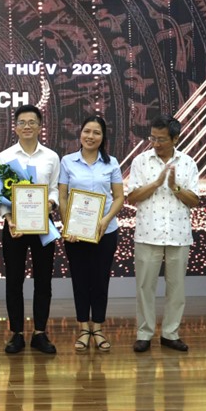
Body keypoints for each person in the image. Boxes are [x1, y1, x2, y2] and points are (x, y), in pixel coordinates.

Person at [128, 115, 200, 353]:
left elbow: (194, 200)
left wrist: (174, 187)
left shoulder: (188, 162)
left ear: (175, 138)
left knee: (176, 288)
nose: (155, 143)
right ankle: (144, 334)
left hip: (178, 234)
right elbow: (132, 196)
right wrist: (157, 183)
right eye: (153, 138)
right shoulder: (140, 161)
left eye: (161, 139)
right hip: (147, 234)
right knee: (144, 288)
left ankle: (171, 334)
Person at [0, 104, 60, 354]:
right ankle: (17, 334)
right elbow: (0, 193)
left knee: (43, 280)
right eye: (22, 122)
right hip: (14, 225)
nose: (27, 126)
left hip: (43, 224)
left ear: (40, 126)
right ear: (15, 127)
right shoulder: (5, 157)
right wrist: (8, 218)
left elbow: (54, 188)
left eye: (32, 122)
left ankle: (40, 333)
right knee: (14, 280)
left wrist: (50, 203)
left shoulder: (51, 156)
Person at [58, 116, 124, 352]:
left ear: (103, 137)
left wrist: (106, 220)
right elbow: (62, 196)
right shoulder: (67, 161)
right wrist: (68, 226)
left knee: (100, 280)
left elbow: (119, 197)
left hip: (106, 232)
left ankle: (98, 327)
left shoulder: (111, 163)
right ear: (80, 133)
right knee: (80, 280)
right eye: (87, 131)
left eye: (96, 132)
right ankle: (84, 328)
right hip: (76, 234)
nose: (90, 136)